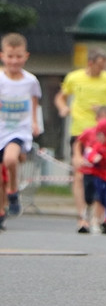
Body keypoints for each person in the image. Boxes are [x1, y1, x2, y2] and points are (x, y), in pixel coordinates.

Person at [55, 47, 106, 232]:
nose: (102, 70)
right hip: (80, 132)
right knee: (79, 175)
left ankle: (97, 217)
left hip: (101, 136)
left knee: (101, 177)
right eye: (99, 66)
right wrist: (63, 108)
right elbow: (61, 97)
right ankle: (82, 218)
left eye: (105, 66)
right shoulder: (74, 77)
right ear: (90, 63)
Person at [0, 33, 42, 225]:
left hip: (19, 129)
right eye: (10, 56)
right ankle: (2, 211)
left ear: (26, 56)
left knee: (10, 159)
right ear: (2, 56)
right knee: (1, 175)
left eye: (18, 57)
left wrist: (34, 122)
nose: (14, 61)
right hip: (1, 128)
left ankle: (14, 190)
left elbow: (34, 101)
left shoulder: (30, 81)